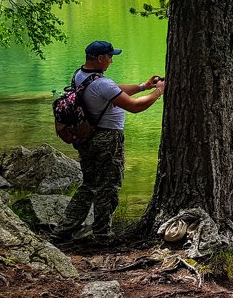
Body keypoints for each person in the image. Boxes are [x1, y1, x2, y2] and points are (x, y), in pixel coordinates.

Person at [52, 40, 165, 243]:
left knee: (89, 185)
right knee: (108, 186)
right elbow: (135, 107)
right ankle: (103, 234)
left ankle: (63, 230)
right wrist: (158, 92)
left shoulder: (81, 75)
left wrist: (142, 86)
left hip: (87, 138)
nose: (112, 61)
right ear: (100, 58)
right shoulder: (102, 83)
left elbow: (114, 90)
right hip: (106, 139)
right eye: (110, 56)